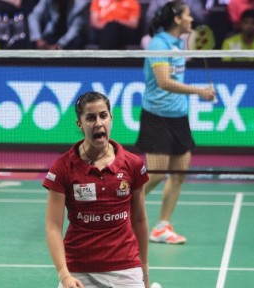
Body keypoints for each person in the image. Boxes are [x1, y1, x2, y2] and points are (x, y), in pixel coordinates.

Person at [43, 91, 150, 288]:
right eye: (90, 118)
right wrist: (64, 274)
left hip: (125, 267)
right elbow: (53, 227)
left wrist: (144, 274)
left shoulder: (133, 164)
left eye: (103, 115)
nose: (98, 123)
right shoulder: (63, 167)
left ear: (111, 119)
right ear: (80, 124)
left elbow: (139, 220)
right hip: (78, 268)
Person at [136, 0, 216, 244]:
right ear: (177, 19)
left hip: (179, 116)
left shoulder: (179, 42)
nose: (192, 19)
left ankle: (162, 226)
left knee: (179, 174)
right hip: (157, 117)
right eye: (188, 15)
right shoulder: (159, 43)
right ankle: (121, 207)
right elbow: (164, 82)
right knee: (157, 175)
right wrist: (199, 92)